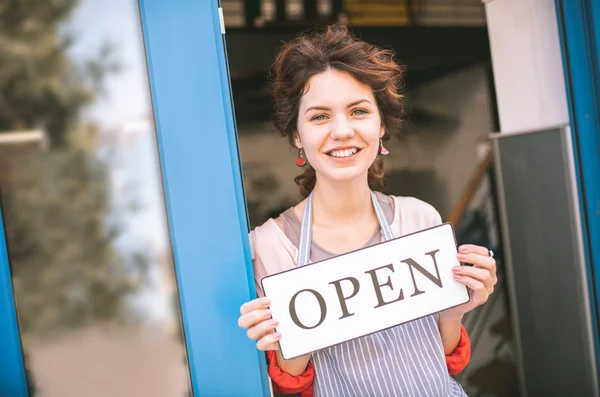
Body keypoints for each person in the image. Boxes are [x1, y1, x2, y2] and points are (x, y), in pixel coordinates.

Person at [238, 24, 497, 397]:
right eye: (319, 116)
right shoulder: (269, 246)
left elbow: (442, 361)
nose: (342, 131)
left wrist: (459, 307)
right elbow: (292, 386)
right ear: (297, 134)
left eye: (358, 111)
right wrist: (283, 341)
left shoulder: (420, 219)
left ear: (381, 127)